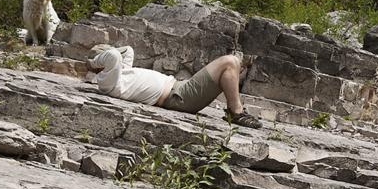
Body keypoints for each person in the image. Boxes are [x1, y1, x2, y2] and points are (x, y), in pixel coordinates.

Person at [86, 45, 263, 128]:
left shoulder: (120, 75)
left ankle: (235, 109)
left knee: (232, 66)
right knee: (230, 62)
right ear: (102, 63)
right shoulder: (107, 84)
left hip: (180, 88)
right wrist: (93, 62)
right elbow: (115, 56)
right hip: (178, 97)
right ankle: (236, 112)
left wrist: (104, 51)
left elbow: (128, 50)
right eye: (106, 50)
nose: (111, 49)